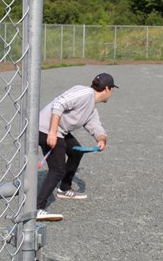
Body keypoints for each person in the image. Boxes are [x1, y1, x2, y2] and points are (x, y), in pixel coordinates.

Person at [36, 73, 118, 221]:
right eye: (112, 90)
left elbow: (95, 125)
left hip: (59, 130)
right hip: (45, 128)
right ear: (107, 89)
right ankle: (37, 208)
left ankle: (64, 188)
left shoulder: (91, 106)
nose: (111, 93)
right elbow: (59, 104)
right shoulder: (85, 93)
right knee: (57, 169)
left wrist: (101, 139)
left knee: (75, 152)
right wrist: (53, 132)